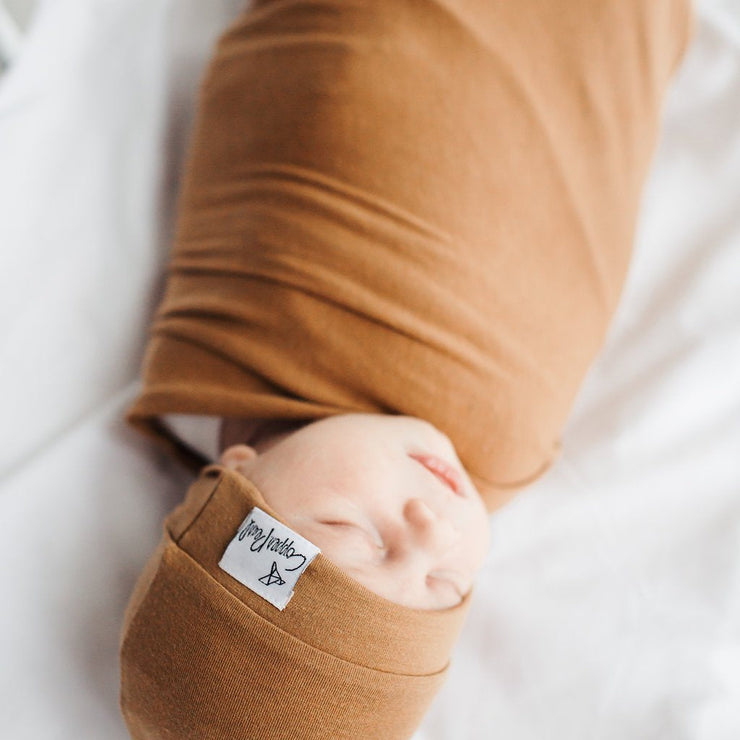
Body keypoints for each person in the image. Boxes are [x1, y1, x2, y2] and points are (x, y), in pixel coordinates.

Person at [119, 0, 695, 737]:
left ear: (237, 467)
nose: (434, 529)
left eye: (353, 534)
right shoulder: (501, 448)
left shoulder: (213, 349)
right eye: (444, 585)